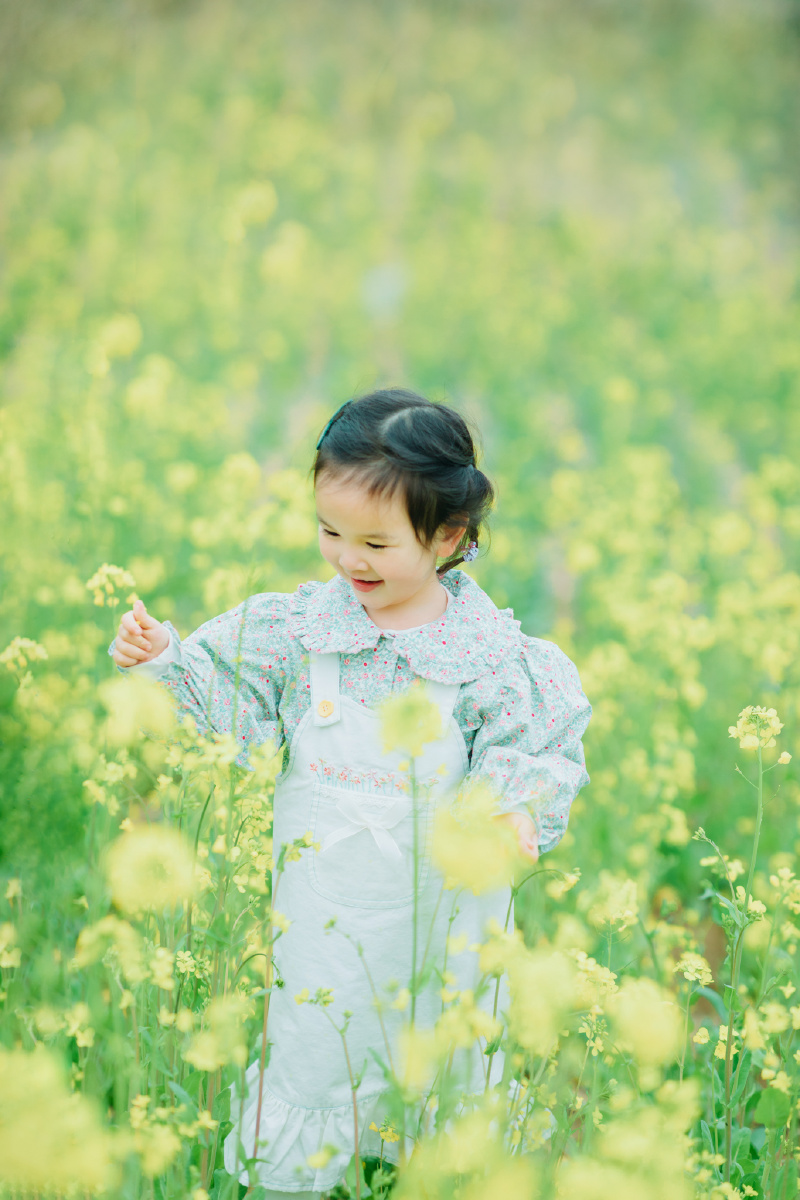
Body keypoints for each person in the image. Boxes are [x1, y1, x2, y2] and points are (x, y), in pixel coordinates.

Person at [109, 387, 592, 1199]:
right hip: (324, 908)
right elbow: (225, 699)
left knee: (440, 1043)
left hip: (443, 909)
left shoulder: (491, 656)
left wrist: (514, 810)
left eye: (376, 541)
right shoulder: (296, 631)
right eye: (331, 532)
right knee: (314, 1040)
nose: (348, 558)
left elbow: (532, 746)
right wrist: (164, 657)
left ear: (448, 537)